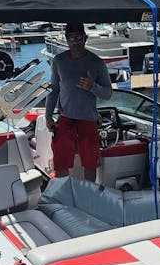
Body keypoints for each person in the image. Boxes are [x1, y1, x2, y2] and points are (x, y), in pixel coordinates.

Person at [45, 22, 112, 181]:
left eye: (79, 37)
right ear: (66, 40)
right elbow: (54, 89)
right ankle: (64, 194)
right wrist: (48, 116)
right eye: (71, 38)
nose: (75, 41)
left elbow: (108, 93)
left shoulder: (97, 62)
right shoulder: (58, 61)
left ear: (85, 38)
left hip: (88, 120)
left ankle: (88, 196)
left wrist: (92, 87)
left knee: (90, 163)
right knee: (60, 162)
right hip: (65, 119)